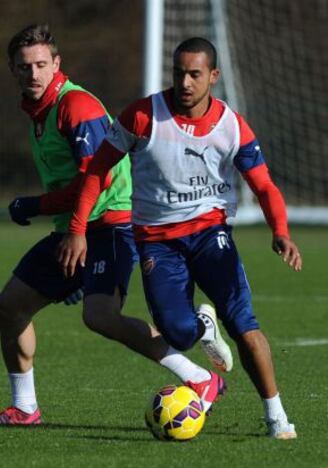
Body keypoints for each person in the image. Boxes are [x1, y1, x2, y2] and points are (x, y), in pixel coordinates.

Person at [0, 26, 232, 426]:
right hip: (77, 228)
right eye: (24, 67)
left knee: (100, 316)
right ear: (13, 70)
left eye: (42, 64)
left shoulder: (77, 106)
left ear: (57, 64)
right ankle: (24, 407)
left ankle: (199, 379)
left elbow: (99, 178)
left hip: (112, 225)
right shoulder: (39, 111)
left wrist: (37, 206)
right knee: (10, 306)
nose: (34, 74)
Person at [58, 37, 302, 440]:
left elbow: (263, 185)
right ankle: (202, 328)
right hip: (156, 242)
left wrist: (281, 232)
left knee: (243, 323)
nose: (185, 82)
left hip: (211, 235)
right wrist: (78, 229)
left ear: (213, 76)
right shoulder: (141, 116)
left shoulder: (231, 126)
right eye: (178, 73)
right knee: (178, 333)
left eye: (195, 74)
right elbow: (97, 172)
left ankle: (277, 417)